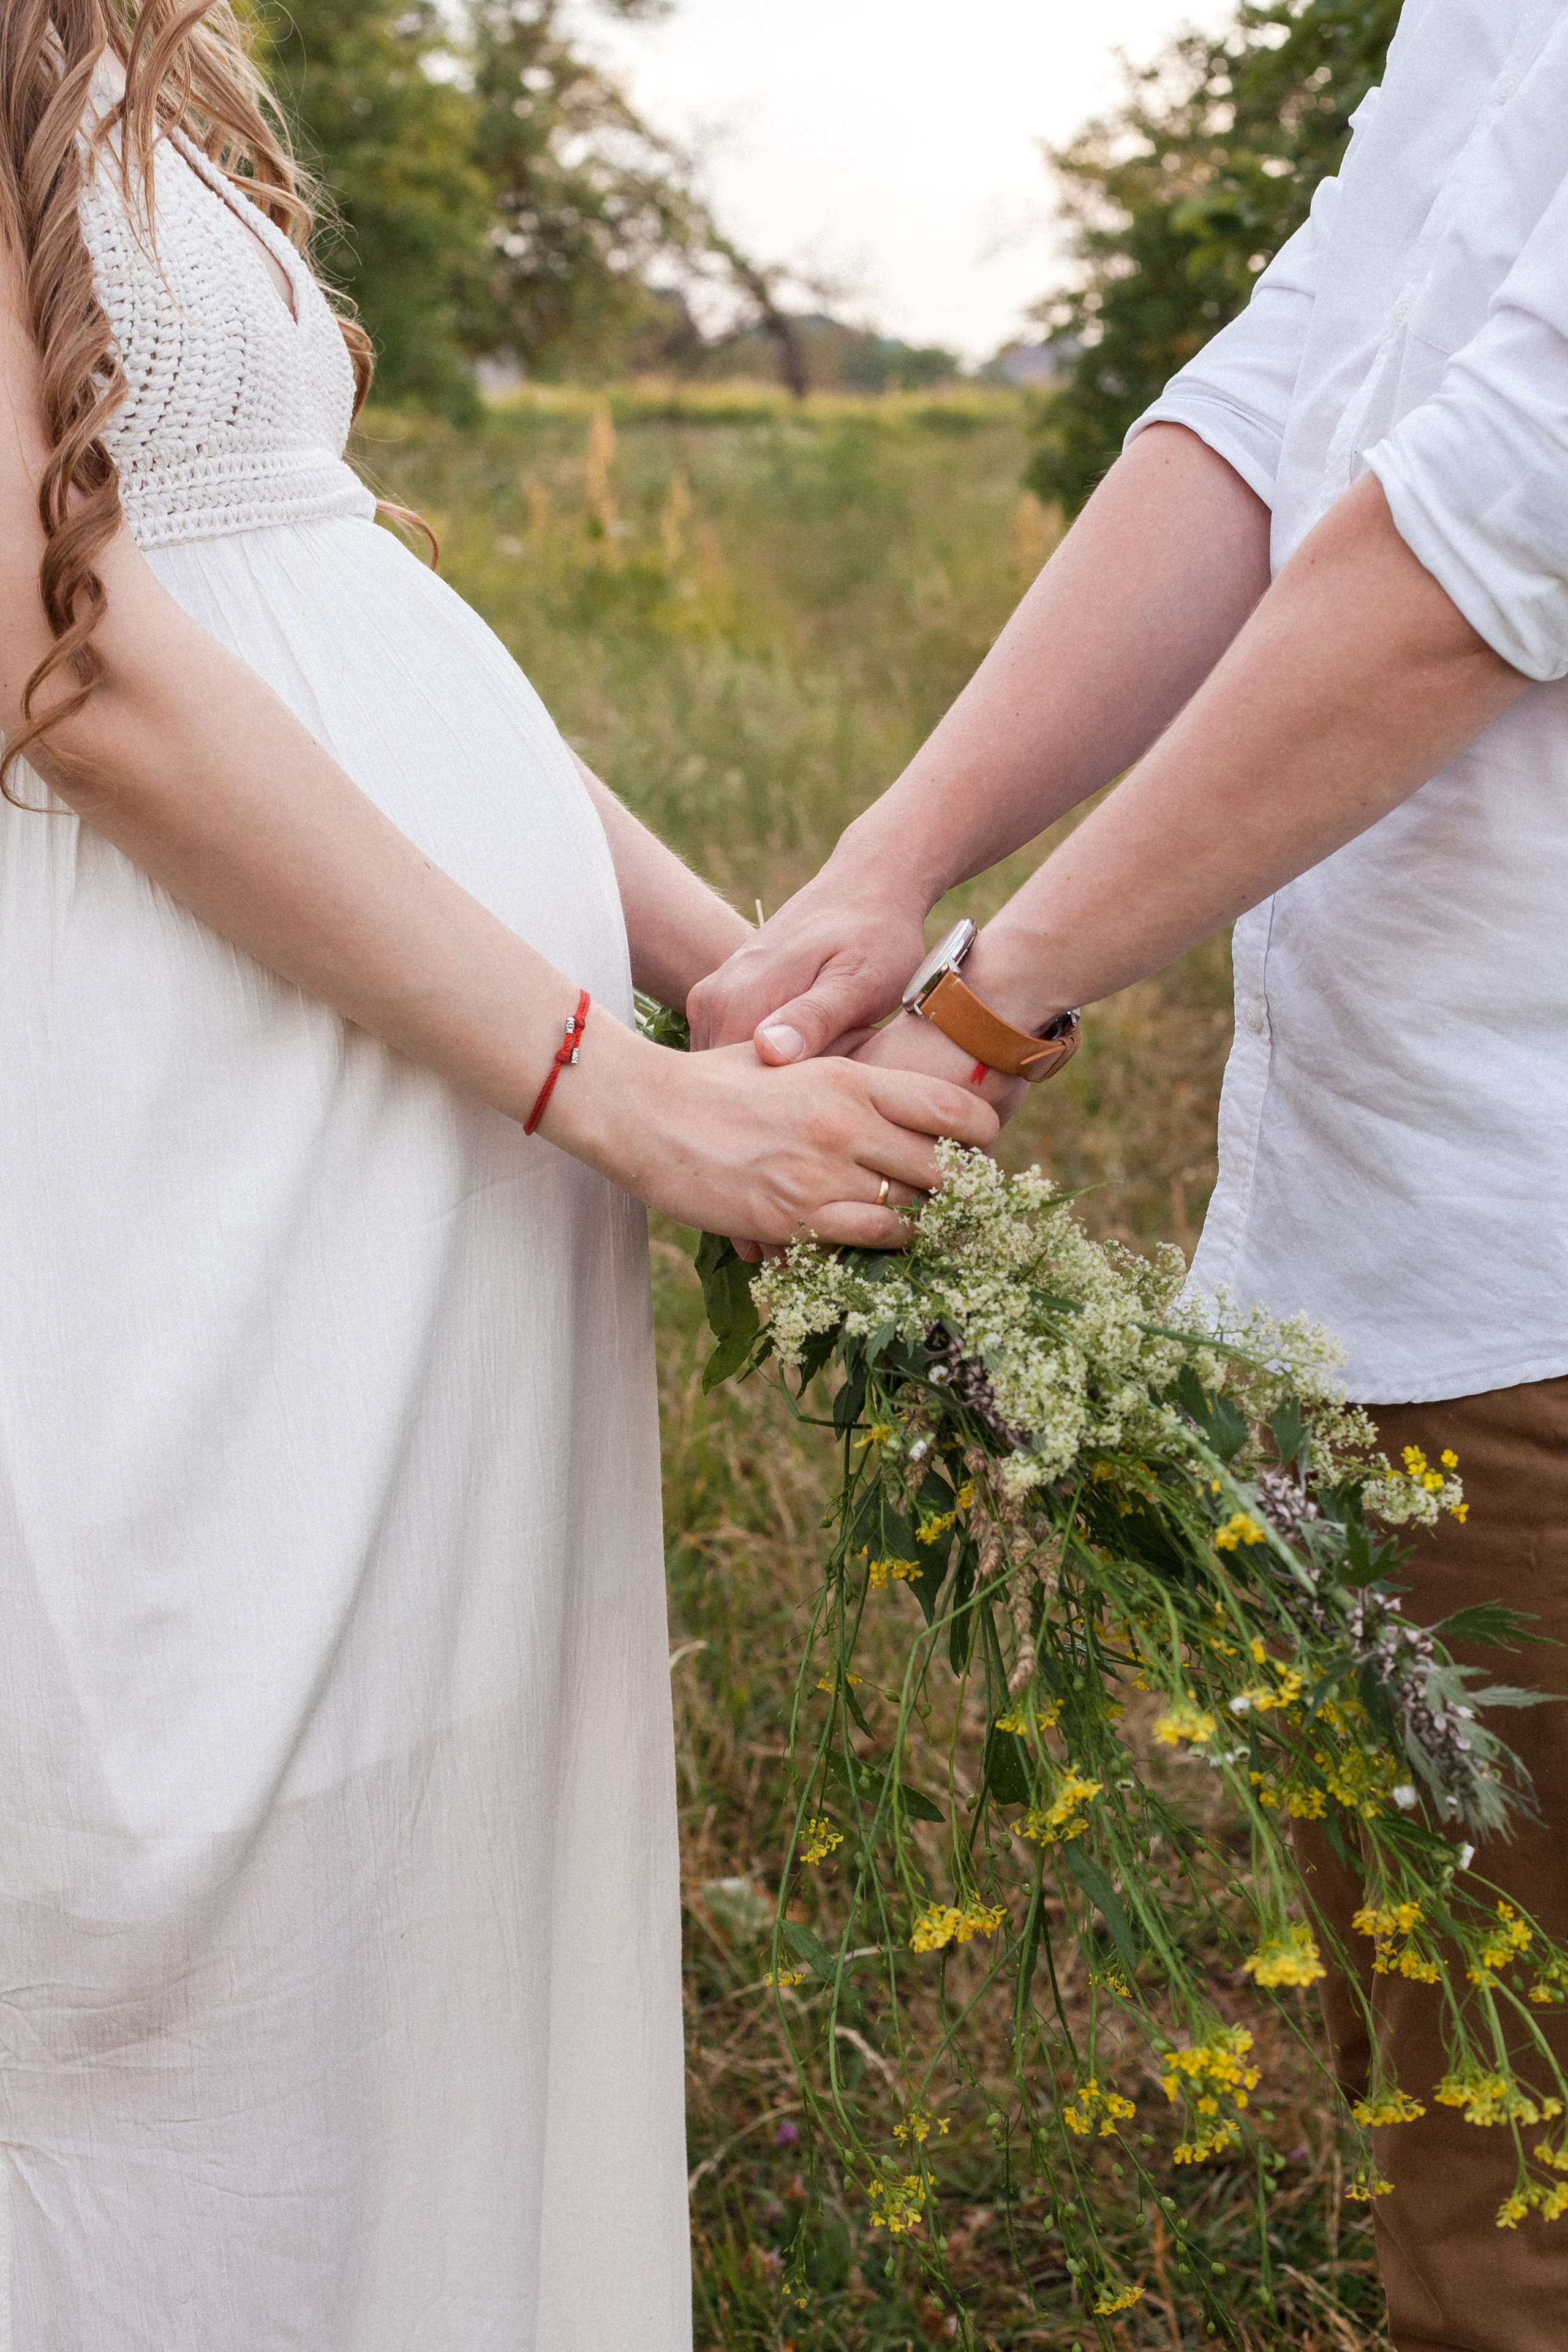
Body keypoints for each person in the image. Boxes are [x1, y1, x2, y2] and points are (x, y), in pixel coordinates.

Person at [0, 10, 997, 2348]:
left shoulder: (133, 40)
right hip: (203, 1147)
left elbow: (322, 590)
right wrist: (627, 1098)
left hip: (406, 1142)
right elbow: (69, 661)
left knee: (412, 1907)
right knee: (194, 1928)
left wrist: (714, 966)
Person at [693, 5, 1568, 2345]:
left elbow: (1479, 551)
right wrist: (897, 868)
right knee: (1465, 2131)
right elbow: (1278, 403)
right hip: (1395, 1255)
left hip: (1544, 1242)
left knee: (1526, 2221)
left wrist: (990, 1000)